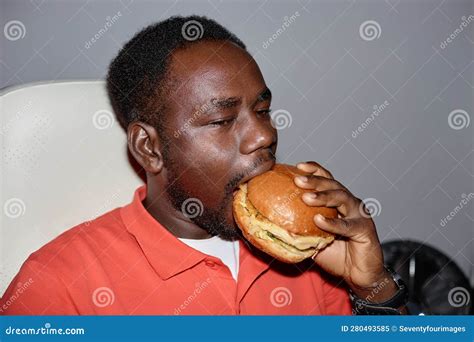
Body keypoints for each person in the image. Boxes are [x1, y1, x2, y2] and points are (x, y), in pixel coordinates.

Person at [0, 15, 407, 315]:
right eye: (221, 120)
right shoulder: (55, 287)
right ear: (149, 147)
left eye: (262, 110)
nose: (264, 136)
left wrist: (373, 287)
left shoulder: (312, 256)